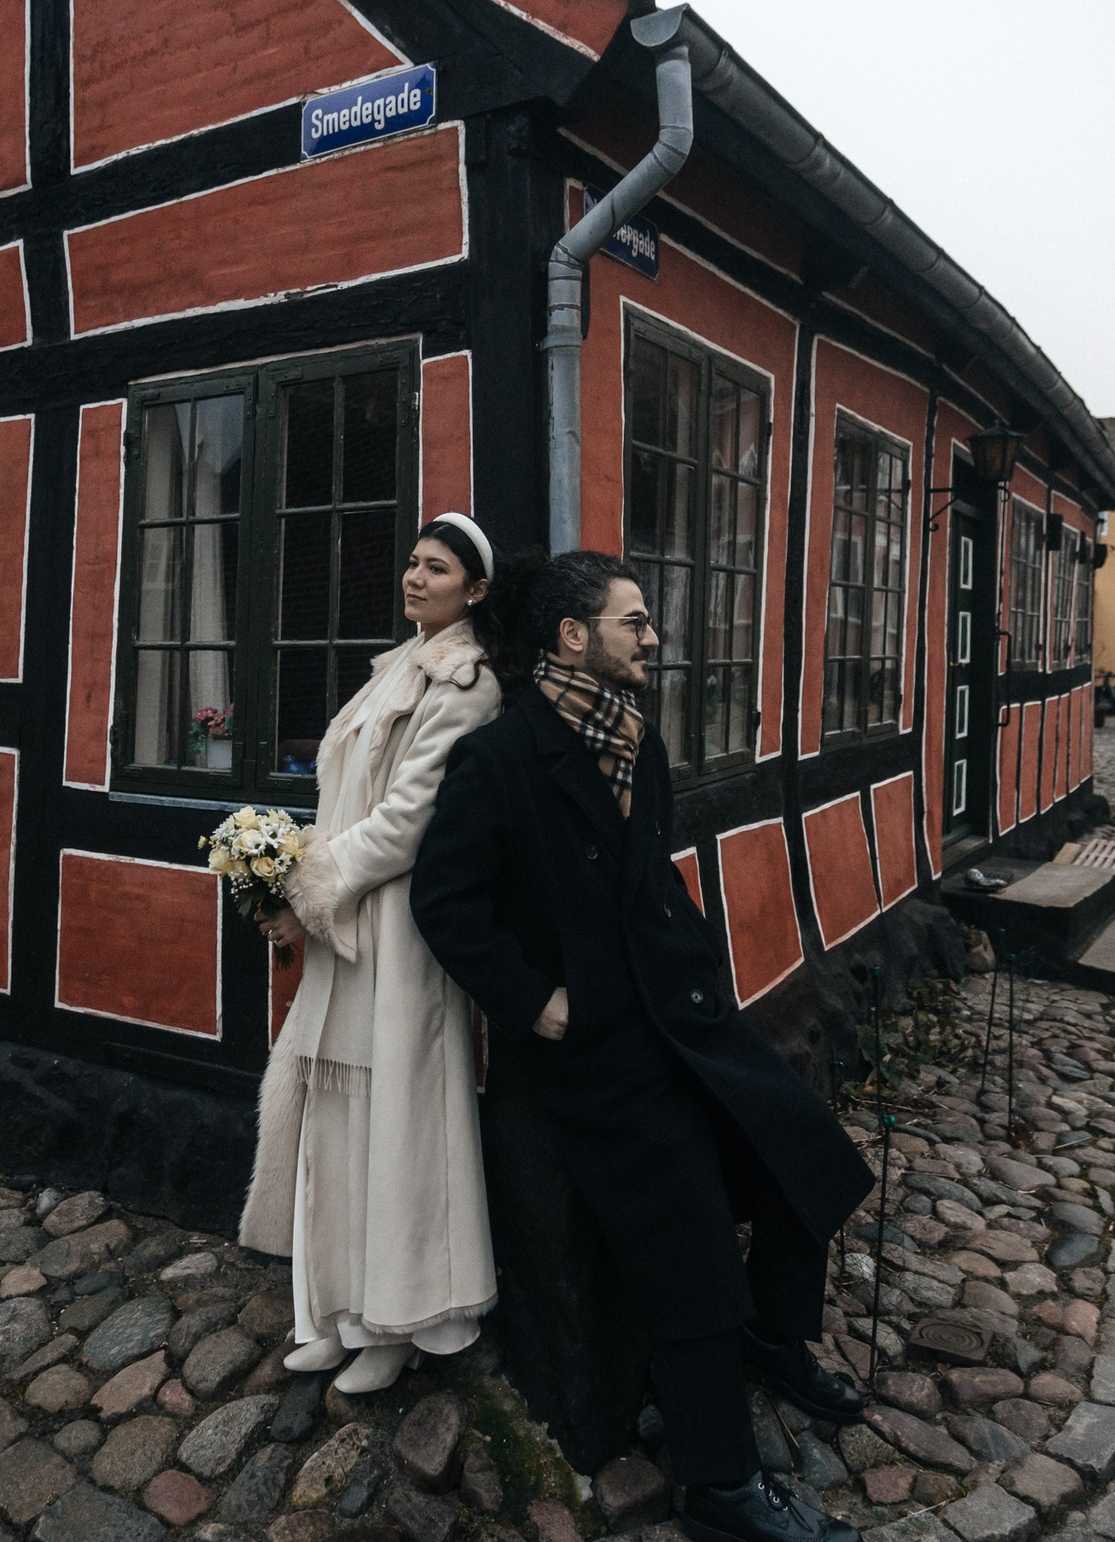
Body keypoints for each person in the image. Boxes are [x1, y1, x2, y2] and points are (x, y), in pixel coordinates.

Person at [411, 552, 872, 1542]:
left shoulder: (635, 743)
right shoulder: (499, 760)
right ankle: (719, 1484)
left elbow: (649, 881)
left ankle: (774, 1339)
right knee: (690, 1241)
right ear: (572, 637)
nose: (652, 638)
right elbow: (443, 903)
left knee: (808, 1156)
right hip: (597, 1050)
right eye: (635, 622)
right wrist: (535, 1003)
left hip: (686, 1014)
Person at [236, 514, 507, 1395]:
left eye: (437, 568)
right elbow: (343, 798)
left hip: (400, 925)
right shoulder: (392, 669)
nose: (415, 578)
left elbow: (406, 821)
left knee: (397, 1118)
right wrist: (291, 885)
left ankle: (401, 1320)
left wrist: (310, 885)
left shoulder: (465, 685)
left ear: (475, 589)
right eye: (413, 564)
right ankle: (336, 1311)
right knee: (335, 1114)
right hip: (343, 915)